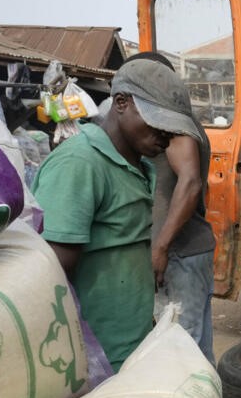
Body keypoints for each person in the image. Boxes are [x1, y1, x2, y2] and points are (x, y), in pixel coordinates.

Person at [32, 60, 198, 371]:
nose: (165, 135)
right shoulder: (80, 164)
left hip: (132, 346)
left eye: (171, 128)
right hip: (95, 358)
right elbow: (50, 274)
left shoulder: (139, 166)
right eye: (156, 121)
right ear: (121, 103)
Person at [127, 52, 218, 366]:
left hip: (179, 255)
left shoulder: (175, 124)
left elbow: (191, 182)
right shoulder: (178, 124)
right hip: (190, 253)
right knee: (197, 352)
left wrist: (161, 247)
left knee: (178, 356)